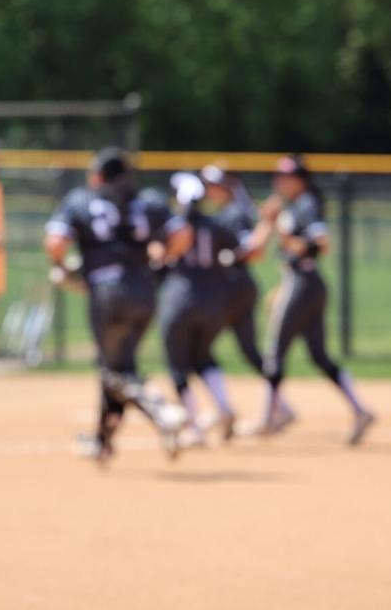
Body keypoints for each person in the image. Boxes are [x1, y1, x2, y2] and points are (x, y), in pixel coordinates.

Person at [44, 147, 192, 463]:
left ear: (98, 175)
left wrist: (63, 266)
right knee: (119, 366)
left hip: (107, 291)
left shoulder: (82, 199)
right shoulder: (148, 200)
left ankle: (160, 409)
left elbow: (56, 242)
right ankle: (103, 441)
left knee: (114, 372)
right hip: (144, 289)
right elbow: (182, 235)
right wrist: (164, 256)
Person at [251, 155, 375, 445]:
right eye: (277, 177)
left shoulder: (306, 203)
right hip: (303, 283)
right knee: (318, 356)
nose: (278, 182)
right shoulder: (297, 204)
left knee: (274, 352)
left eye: (285, 177)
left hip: (302, 283)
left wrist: (279, 228)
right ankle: (360, 410)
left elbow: (321, 243)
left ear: (300, 179)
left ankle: (267, 418)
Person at [200, 165, 297, 431]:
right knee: (249, 351)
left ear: (227, 185)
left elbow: (252, 250)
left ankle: (223, 409)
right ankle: (281, 406)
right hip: (236, 287)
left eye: (214, 185)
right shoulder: (230, 211)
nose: (210, 191)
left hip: (232, 288)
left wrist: (265, 225)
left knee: (197, 347)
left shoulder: (234, 213)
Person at [157, 173, 238, 445]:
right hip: (214, 300)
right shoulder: (216, 225)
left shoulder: (172, 226)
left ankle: (193, 427)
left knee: (177, 364)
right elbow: (236, 251)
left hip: (180, 298)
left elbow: (158, 258)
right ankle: (223, 405)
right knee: (203, 357)